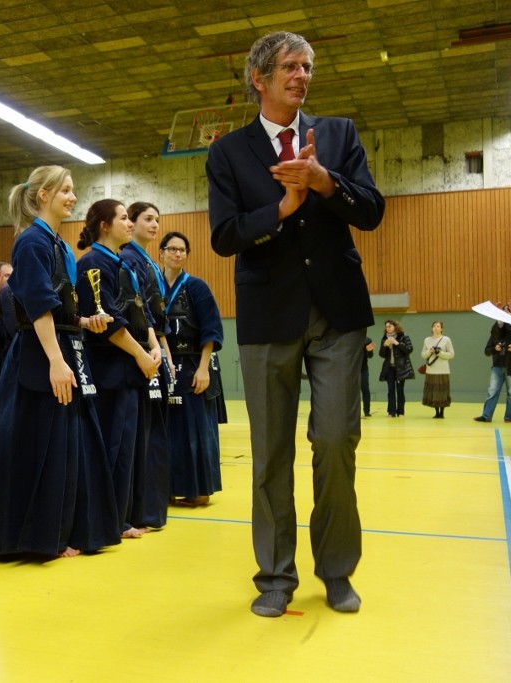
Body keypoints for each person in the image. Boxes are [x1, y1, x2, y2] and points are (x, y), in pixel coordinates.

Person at [206, 31, 386, 617]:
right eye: (290, 66)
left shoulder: (338, 134)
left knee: (335, 441)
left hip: (337, 312)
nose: (302, 75)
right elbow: (226, 235)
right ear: (259, 78)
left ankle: (336, 570)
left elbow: (372, 209)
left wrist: (323, 182)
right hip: (268, 314)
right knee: (271, 453)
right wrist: (279, 211)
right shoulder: (228, 152)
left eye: (307, 66)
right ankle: (275, 577)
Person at [0, 167, 121, 558]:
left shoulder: (58, 244)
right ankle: (38, 535)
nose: (73, 197)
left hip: (61, 344)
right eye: (66, 191)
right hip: (40, 355)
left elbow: (58, 306)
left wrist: (82, 321)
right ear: (43, 195)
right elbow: (37, 308)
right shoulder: (31, 242)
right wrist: (57, 362)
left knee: (67, 443)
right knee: (40, 443)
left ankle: (63, 527)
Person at [77, 199, 161, 538]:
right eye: (124, 218)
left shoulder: (122, 262)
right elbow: (109, 321)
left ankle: (127, 512)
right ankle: (111, 518)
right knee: (114, 444)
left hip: (133, 365)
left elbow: (140, 311)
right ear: (104, 225)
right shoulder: (93, 263)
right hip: (110, 367)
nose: (130, 224)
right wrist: (141, 354)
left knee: (130, 446)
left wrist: (154, 347)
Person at [160, 230, 226, 508]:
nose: (177, 254)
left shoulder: (197, 286)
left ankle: (200, 490)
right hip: (165, 363)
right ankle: (172, 487)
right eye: (172, 249)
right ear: (161, 252)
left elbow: (211, 330)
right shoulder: (154, 286)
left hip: (195, 362)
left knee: (197, 428)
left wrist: (203, 369)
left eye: (182, 250)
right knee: (171, 430)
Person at [122, 201, 173, 527]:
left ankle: (151, 508)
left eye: (157, 219)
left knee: (155, 433)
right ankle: (138, 511)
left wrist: (163, 348)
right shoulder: (128, 259)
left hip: (154, 346)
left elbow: (156, 314)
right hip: (138, 349)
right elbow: (137, 313)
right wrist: (152, 348)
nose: (154, 225)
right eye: (148, 219)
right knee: (141, 435)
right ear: (132, 222)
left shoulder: (149, 262)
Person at [475, 319, 511, 422]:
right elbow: (487, 351)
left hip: (510, 367)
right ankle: (486, 416)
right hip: (497, 366)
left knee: (510, 393)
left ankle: (509, 417)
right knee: (492, 391)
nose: (500, 322)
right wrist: (495, 348)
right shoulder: (495, 335)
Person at [378, 319, 414, 418]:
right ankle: (391, 412)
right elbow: (381, 354)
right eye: (386, 327)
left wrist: (397, 343)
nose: (387, 328)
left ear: (395, 326)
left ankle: (401, 412)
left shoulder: (403, 336)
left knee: (400, 390)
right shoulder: (384, 338)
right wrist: (384, 346)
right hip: (389, 368)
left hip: (400, 367)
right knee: (390, 390)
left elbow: (409, 349)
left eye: (389, 326)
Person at [421, 321, 454, 418]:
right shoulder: (427, 340)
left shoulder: (446, 339)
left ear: (442, 328)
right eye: (434, 326)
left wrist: (439, 353)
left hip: (443, 370)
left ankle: (442, 412)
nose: (436, 328)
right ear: (431, 328)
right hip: (431, 370)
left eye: (438, 326)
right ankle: (436, 412)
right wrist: (429, 351)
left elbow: (451, 354)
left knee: (442, 391)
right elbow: (423, 355)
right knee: (433, 391)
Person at [360, 336, 375, 418]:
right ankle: (352, 412)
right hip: (351, 369)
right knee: (351, 391)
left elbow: (370, 355)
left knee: (365, 389)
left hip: (363, 368)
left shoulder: (367, 340)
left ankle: (367, 411)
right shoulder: (349, 338)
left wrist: (369, 351)